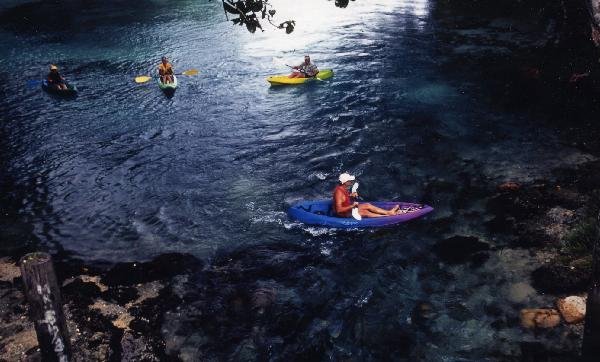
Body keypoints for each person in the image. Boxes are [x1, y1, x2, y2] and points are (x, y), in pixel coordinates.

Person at [333, 173, 400, 218]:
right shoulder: (339, 192)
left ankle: (388, 212)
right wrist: (352, 206)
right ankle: (387, 216)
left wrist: (351, 195)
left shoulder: (343, 188)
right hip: (343, 214)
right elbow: (339, 210)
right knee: (365, 212)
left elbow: (344, 198)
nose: (351, 182)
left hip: (348, 210)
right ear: (345, 182)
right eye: (349, 181)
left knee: (367, 205)